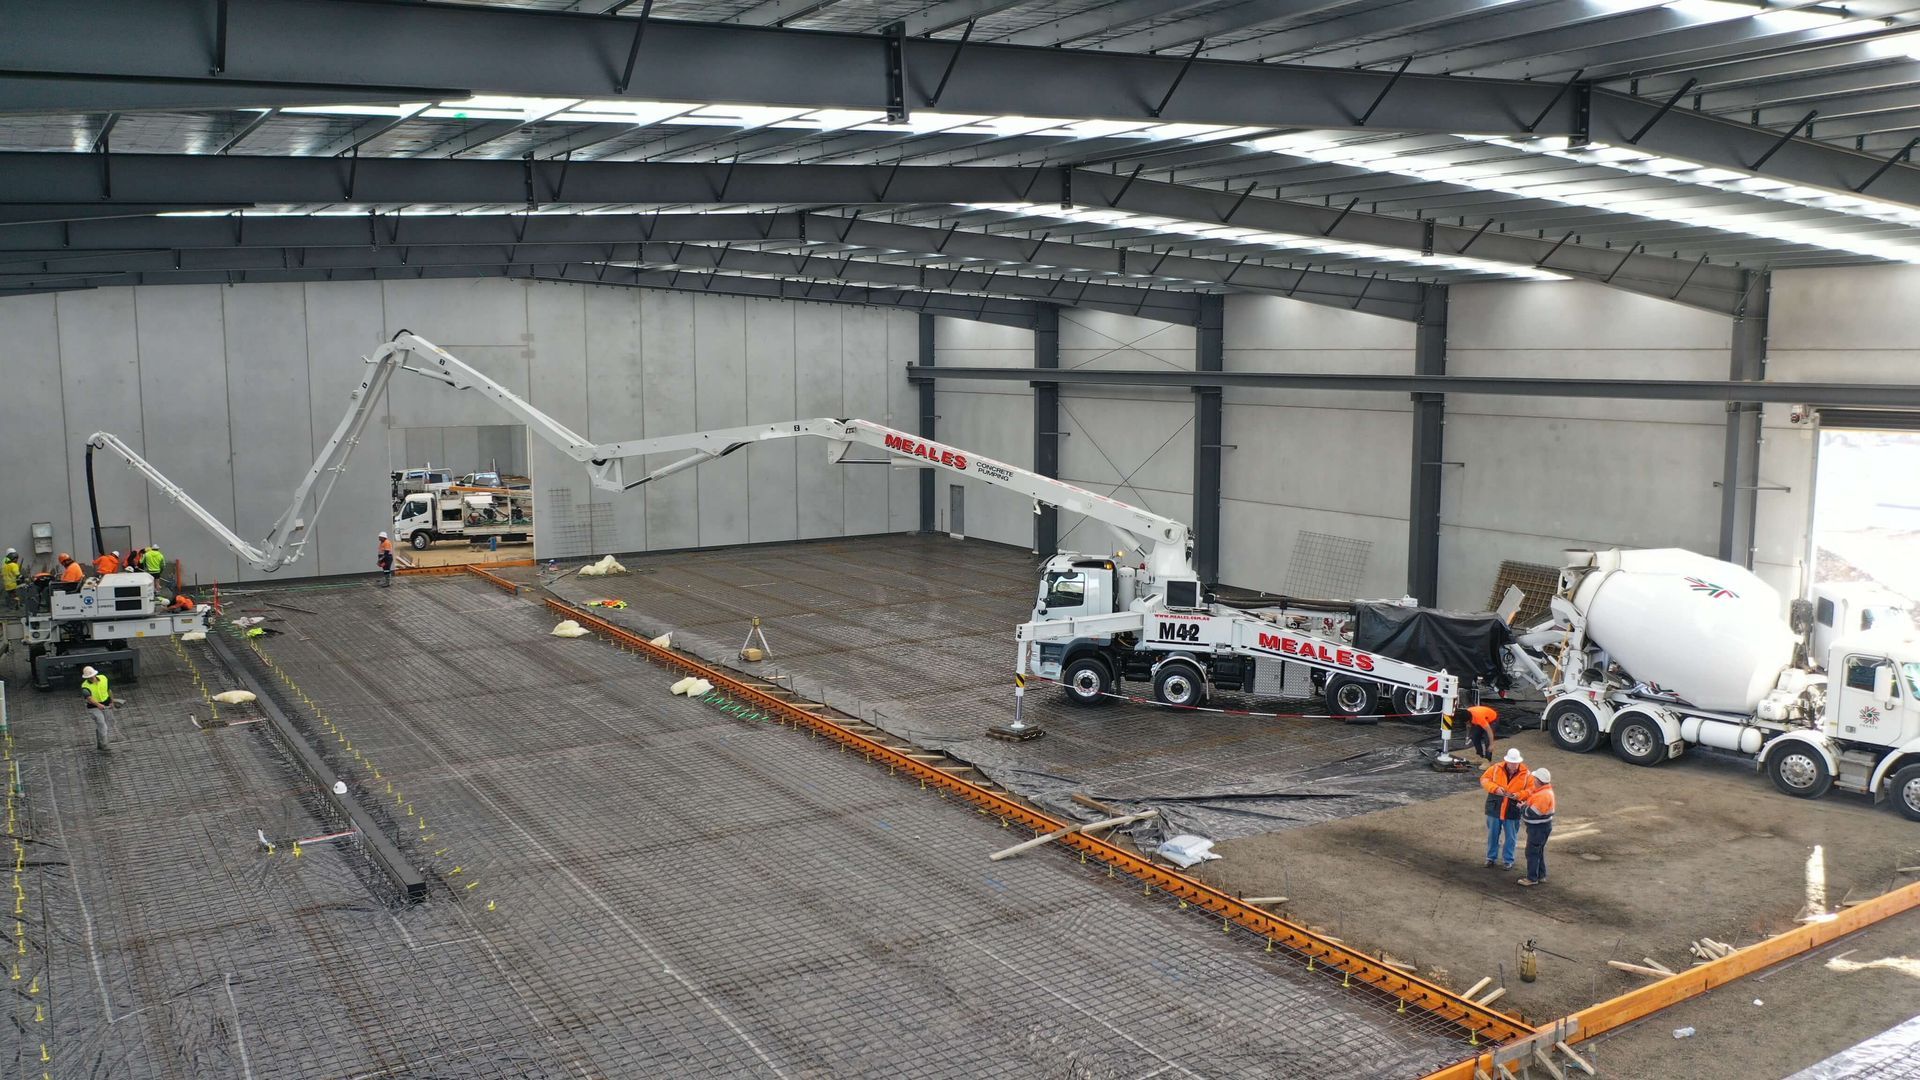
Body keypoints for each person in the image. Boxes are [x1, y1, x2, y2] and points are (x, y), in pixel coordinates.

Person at [1480, 747, 1533, 870]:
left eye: (1516, 763)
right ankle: (1490, 858)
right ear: (1507, 761)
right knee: (1493, 835)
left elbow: (1531, 790)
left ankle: (1508, 860)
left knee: (1511, 837)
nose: (1513, 766)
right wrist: (1495, 788)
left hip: (1512, 809)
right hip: (1495, 807)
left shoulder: (1526, 774)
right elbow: (1484, 779)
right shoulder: (1496, 768)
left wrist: (1518, 795)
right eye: (1511, 763)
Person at [1518, 767, 1556, 887]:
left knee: (1532, 852)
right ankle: (1541, 875)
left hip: (1538, 829)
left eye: (1535, 779)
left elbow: (1532, 813)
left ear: (1539, 781)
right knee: (1538, 851)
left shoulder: (1542, 795)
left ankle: (1532, 878)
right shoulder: (1545, 792)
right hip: (1543, 827)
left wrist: (1522, 807)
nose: (1533, 780)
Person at [79, 665, 113, 751]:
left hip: (106, 705)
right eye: (89, 677)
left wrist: (112, 701)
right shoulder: (85, 686)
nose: (91, 678)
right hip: (93, 708)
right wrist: (98, 705)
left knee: (105, 724)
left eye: (92, 676)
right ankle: (104, 744)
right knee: (101, 723)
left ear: (95, 674)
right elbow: (89, 699)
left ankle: (100, 743)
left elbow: (109, 690)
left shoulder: (103, 678)